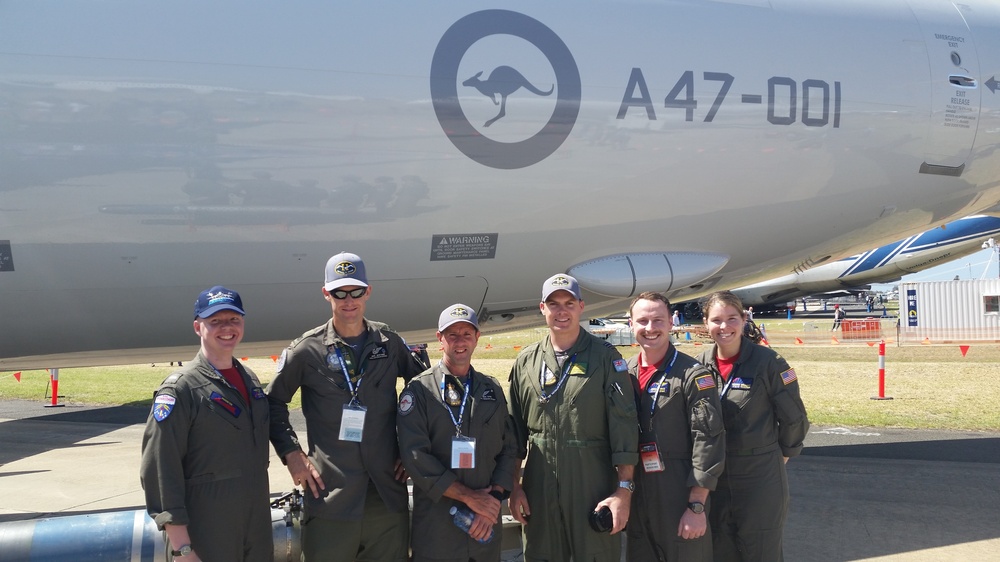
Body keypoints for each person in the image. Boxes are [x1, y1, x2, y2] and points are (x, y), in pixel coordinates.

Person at [266, 252, 425, 562]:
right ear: (327, 293)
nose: (348, 300)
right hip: (330, 496)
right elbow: (272, 402)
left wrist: (412, 450)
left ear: (368, 291)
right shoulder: (306, 350)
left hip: (385, 495)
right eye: (340, 292)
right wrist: (292, 454)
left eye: (356, 291)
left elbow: (423, 391)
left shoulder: (389, 343)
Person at [507, 273, 639, 561]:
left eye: (569, 303)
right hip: (539, 486)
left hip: (591, 484)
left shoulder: (605, 358)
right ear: (542, 308)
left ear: (581, 306)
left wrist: (624, 490)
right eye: (553, 304)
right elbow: (514, 433)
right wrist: (514, 487)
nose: (561, 311)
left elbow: (624, 427)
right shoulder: (526, 362)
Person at [140, 286, 271, 561]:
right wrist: (182, 547)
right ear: (198, 327)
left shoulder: (250, 381)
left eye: (234, 319)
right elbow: (160, 468)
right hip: (207, 534)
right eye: (215, 321)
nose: (227, 328)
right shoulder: (181, 390)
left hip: (255, 529)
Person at [397, 304, 518, 562]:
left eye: (466, 333)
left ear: (477, 339)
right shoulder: (420, 391)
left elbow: (508, 448)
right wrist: (471, 498)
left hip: (483, 529)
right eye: (452, 334)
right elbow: (415, 457)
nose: (460, 341)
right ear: (440, 339)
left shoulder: (491, 389)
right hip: (438, 532)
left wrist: (493, 500)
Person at [696, 291, 809, 561]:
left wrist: (780, 457)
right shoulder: (699, 364)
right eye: (717, 320)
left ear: (744, 319)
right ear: (706, 323)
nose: (724, 327)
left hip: (759, 477)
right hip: (716, 477)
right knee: (719, 549)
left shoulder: (768, 362)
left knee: (760, 551)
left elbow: (794, 418)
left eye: (732, 318)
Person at [626, 292, 726, 562]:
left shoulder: (692, 375)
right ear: (631, 325)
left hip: (678, 490)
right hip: (638, 490)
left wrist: (696, 505)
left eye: (658, 320)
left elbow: (708, 440)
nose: (650, 328)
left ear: (671, 322)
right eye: (643, 321)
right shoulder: (625, 373)